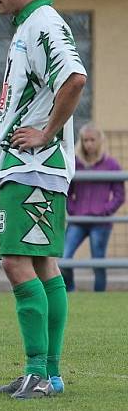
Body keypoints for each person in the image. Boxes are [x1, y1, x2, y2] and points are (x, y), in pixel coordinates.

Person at [0, 0, 87, 399]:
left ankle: (38, 374)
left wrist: (46, 133)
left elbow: (74, 78)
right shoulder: (29, 26)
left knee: (15, 261)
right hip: (30, 168)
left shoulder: (43, 24)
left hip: (33, 167)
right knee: (44, 264)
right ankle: (49, 373)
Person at [61, 123, 125, 292]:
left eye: (92, 140)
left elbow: (119, 195)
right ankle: (70, 291)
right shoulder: (74, 163)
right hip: (78, 220)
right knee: (65, 257)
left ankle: (99, 295)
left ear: (99, 141)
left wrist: (105, 211)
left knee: (98, 262)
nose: (88, 144)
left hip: (101, 222)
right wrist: (72, 209)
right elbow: (67, 190)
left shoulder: (112, 165)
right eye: (85, 140)